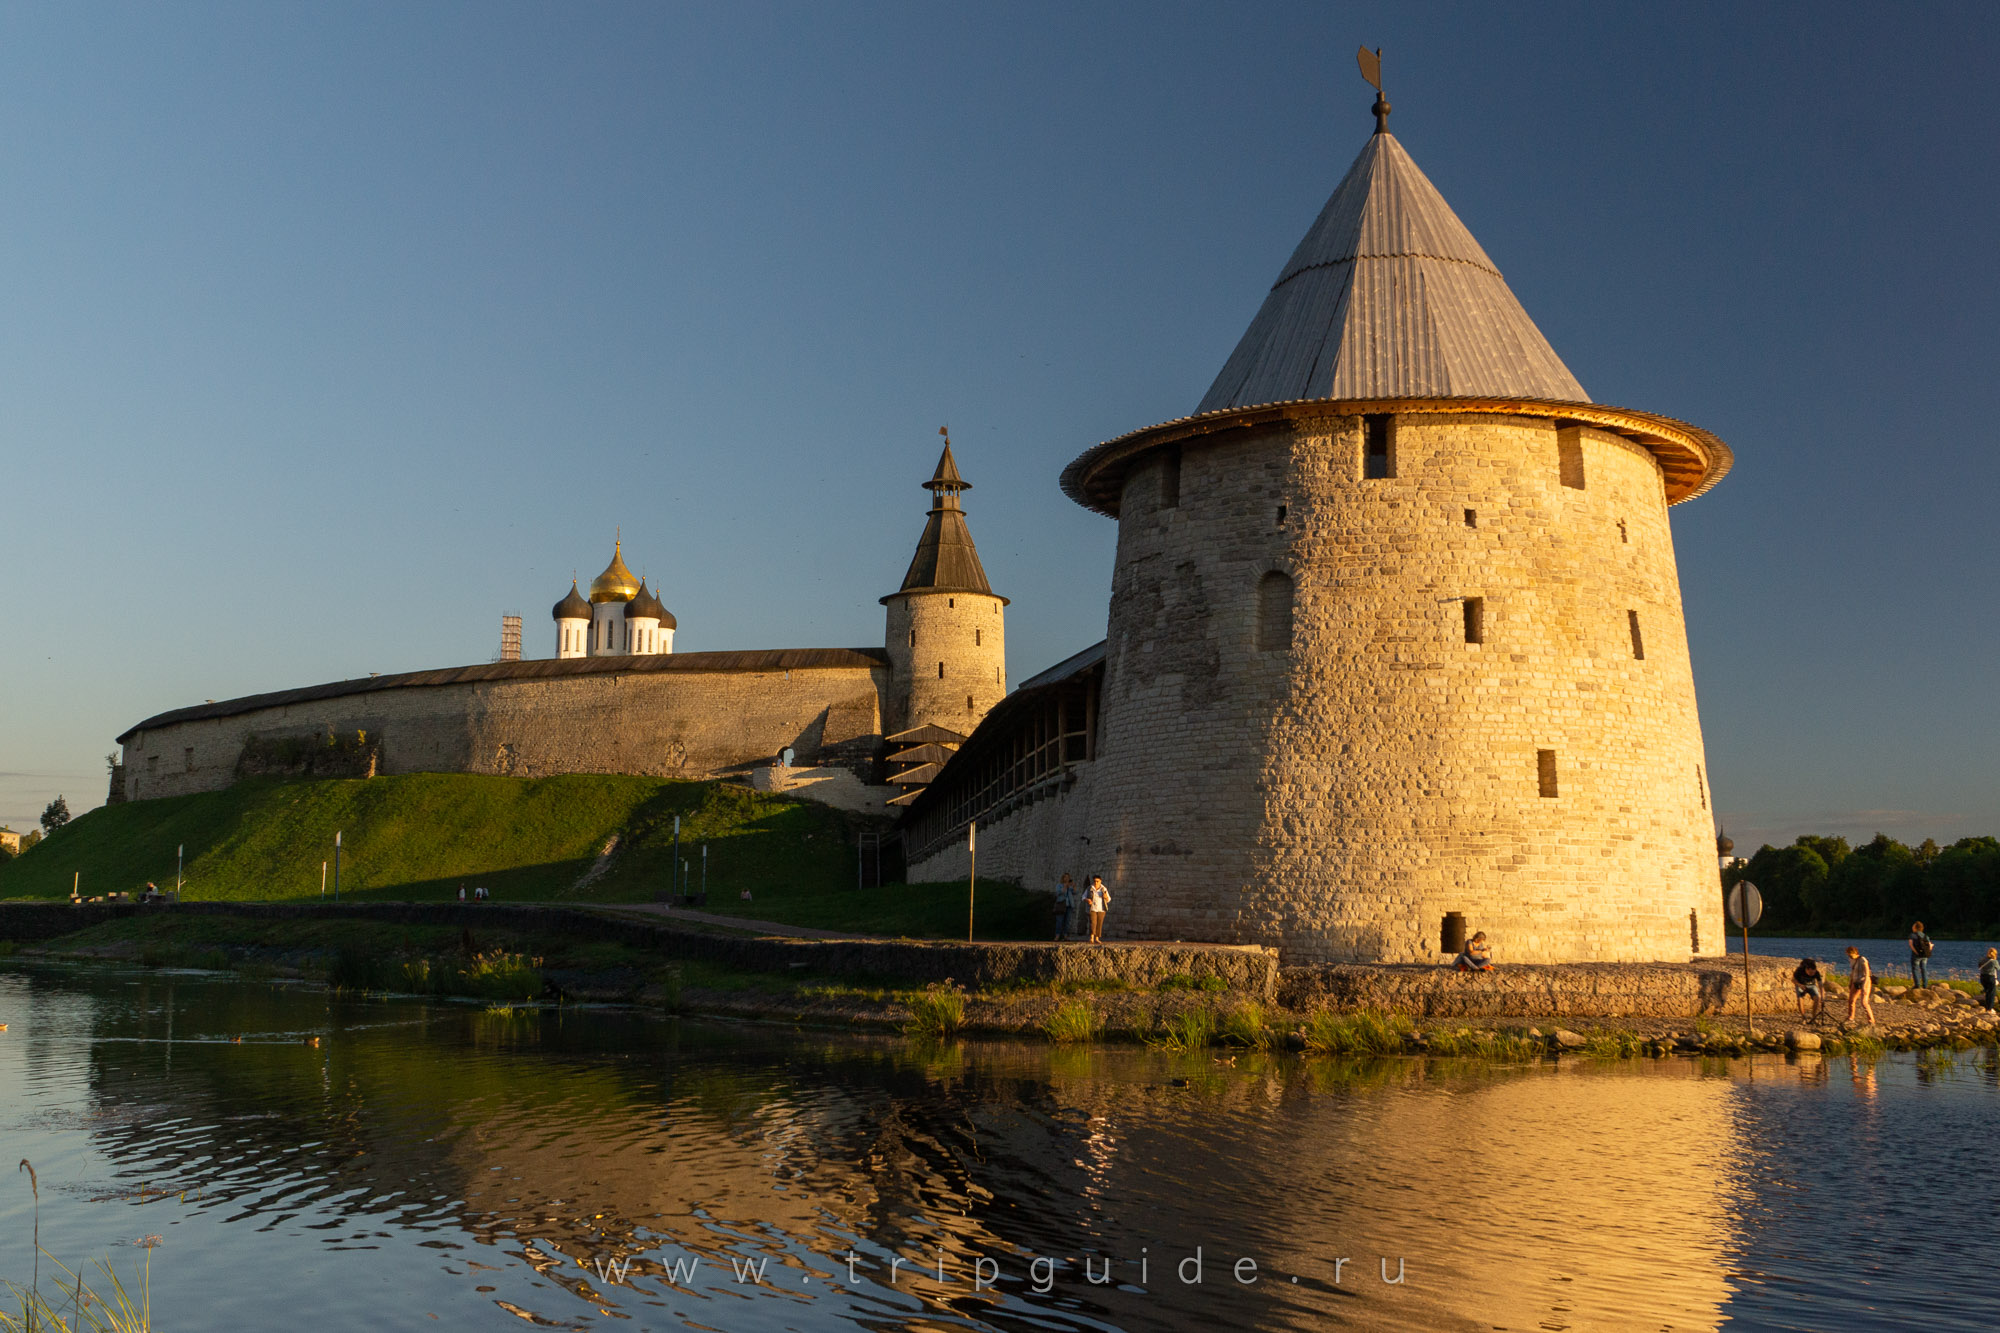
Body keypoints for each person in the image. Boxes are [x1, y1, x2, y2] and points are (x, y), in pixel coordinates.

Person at [1843, 946, 1875, 1026]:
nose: (1849, 956)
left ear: (1855, 953)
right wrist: (1851, 982)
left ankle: (1871, 1020)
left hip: (1864, 981)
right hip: (1855, 981)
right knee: (1851, 1000)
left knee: (1864, 1002)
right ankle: (1851, 1017)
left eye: (1850, 954)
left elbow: (1867, 974)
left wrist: (1864, 985)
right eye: (1848, 955)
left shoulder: (1862, 960)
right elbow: (1853, 971)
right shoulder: (1851, 960)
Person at [1792, 957, 1825, 1021]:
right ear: (1806, 969)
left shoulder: (1816, 973)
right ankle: (1803, 1017)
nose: (1812, 974)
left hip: (1812, 985)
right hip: (1800, 985)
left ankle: (1813, 1016)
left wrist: (1822, 996)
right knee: (1800, 999)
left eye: (1813, 973)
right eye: (1810, 973)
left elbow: (1820, 985)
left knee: (1817, 998)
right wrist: (1800, 985)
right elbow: (1793, 980)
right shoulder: (1799, 970)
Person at [1908, 922, 1933, 990]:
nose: (1912, 927)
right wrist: (1928, 952)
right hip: (1924, 955)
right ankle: (1925, 985)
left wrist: (1916, 952)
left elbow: (1911, 944)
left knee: (1915, 969)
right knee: (1924, 969)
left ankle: (1917, 985)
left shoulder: (1912, 935)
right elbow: (1930, 946)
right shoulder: (1925, 936)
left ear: (1915, 927)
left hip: (1916, 955)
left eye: (1913, 926)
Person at [1085, 875, 1110, 943]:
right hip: (1092, 908)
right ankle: (1092, 937)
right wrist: (1087, 900)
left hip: (1101, 909)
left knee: (1099, 923)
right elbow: (1083, 897)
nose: (1096, 883)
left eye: (1097, 881)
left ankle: (1097, 938)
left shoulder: (1103, 889)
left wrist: (1105, 897)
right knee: (1093, 923)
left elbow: (1108, 899)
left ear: (1100, 881)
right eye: (1095, 881)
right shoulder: (1089, 888)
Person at [1053, 874, 1076, 942]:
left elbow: (1075, 892)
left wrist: (1073, 886)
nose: (1067, 879)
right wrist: (1065, 887)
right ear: (1063, 878)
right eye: (1065, 877)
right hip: (1061, 905)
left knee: (1067, 922)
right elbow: (1058, 893)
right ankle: (1057, 935)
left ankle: (1065, 936)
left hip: (1069, 906)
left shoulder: (1069, 887)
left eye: (1068, 878)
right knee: (1059, 921)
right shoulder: (1059, 886)